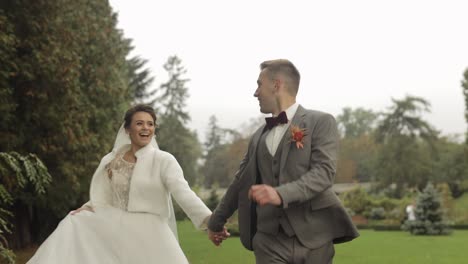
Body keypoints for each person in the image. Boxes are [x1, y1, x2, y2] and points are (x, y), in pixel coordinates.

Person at [207, 59, 359, 263]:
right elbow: (240, 182)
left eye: (259, 84)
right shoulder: (258, 137)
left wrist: (280, 194)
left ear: (276, 85)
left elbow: (324, 173)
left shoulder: (321, 122)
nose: (256, 92)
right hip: (268, 240)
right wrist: (215, 222)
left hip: (315, 238)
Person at [28, 104, 216, 264]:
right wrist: (86, 208)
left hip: (150, 231)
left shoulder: (164, 160)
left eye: (150, 124)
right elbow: (104, 194)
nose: (146, 128)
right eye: (139, 123)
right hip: (115, 227)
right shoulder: (111, 160)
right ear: (127, 129)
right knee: (71, 222)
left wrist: (210, 220)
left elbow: (183, 193)